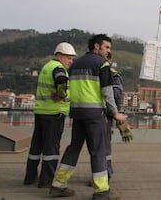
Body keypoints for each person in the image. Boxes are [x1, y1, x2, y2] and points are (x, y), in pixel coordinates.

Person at [49, 34, 126, 200]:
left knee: (73, 148)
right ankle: (102, 191)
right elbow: (107, 92)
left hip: (77, 113)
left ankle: (58, 184)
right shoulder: (102, 64)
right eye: (106, 47)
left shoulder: (74, 64)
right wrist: (115, 113)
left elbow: (69, 89)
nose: (108, 51)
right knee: (98, 151)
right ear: (96, 47)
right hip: (95, 115)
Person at [23, 42, 77, 188]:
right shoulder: (58, 68)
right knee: (51, 149)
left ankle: (30, 177)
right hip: (54, 113)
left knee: (36, 147)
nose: (70, 61)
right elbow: (61, 80)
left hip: (41, 111)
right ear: (59, 56)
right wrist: (61, 94)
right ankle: (46, 180)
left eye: (72, 58)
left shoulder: (46, 67)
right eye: (68, 58)